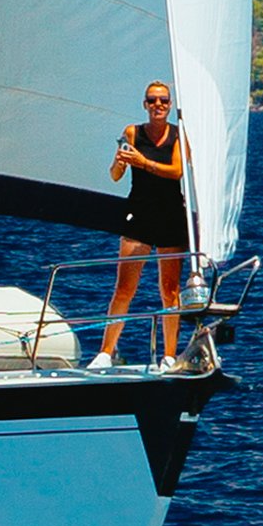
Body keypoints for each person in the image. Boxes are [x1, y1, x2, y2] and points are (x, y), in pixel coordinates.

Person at [93, 80, 189, 367]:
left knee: (169, 290)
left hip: (170, 215)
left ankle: (169, 355)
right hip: (139, 213)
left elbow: (177, 171)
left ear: (170, 105)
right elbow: (115, 175)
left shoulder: (178, 135)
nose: (158, 105)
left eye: (163, 101)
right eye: (152, 100)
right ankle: (105, 353)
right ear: (145, 105)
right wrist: (123, 162)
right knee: (124, 288)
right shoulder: (132, 133)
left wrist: (143, 162)